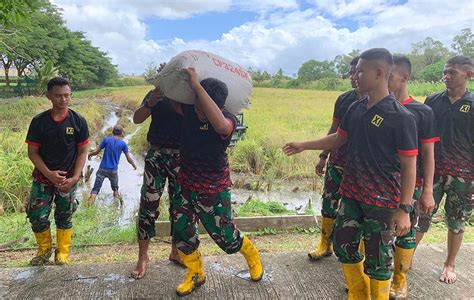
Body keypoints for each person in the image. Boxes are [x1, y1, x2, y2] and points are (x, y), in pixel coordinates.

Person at [283, 48, 418, 299]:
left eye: (360, 71)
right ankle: (359, 294)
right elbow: (338, 138)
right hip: (352, 194)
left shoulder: (401, 117)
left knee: (378, 261)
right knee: (344, 247)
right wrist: (304, 145)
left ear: (379, 73)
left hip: (383, 201)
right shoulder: (355, 108)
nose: (355, 75)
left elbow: (410, 166)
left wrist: (405, 208)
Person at [171, 67, 263, 296]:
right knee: (182, 232)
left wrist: (198, 87)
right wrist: (168, 76)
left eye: (205, 106)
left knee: (226, 238)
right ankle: (195, 272)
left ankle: (251, 254)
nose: (200, 112)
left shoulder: (227, 120)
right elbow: (174, 101)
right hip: (185, 183)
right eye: (198, 106)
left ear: (219, 106)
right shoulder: (190, 110)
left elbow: (221, 126)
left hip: (213, 187)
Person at [415, 55, 473, 284]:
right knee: (421, 216)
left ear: (468, 74)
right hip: (433, 172)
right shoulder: (433, 101)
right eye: (445, 72)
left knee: (457, 221)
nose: (446, 76)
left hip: (464, 175)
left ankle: (449, 265)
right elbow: (422, 136)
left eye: (452, 73)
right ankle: (406, 259)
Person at [388, 55, 438, 298]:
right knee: (374, 230)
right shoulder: (376, 107)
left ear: (404, 77)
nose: (384, 80)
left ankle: (400, 278)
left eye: (390, 76)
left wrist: (427, 190)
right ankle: (375, 275)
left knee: (406, 231)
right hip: (379, 182)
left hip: (412, 184)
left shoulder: (422, 112)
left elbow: (428, 155)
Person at [25, 77, 89, 265]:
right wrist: (49, 174)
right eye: (59, 96)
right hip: (43, 178)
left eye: (67, 95)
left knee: (64, 214)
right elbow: (33, 153)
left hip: (67, 180)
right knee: (37, 215)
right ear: (49, 96)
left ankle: (62, 252)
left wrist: (76, 177)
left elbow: (83, 151)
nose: (63, 100)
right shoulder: (39, 122)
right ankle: (43, 251)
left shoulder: (78, 121)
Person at [309, 56, 363, 260]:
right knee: (328, 202)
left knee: (358, 209)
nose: (353, 76)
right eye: (350, 72)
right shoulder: (344, 99)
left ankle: (358, 250)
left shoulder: (382, 102)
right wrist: (323, 156)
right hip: (338, 161)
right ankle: (325, 244)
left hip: (361, 169)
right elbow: (335, 129)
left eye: (356, 72)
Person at [131, 79, 184, 279]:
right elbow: (136, 119)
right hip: (156, 156)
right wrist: (149, 104)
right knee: (148, 206)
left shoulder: (188, 97)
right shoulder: (156, 94)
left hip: (181, 158)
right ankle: (143, 258)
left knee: (180, 208)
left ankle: (176, 252)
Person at [87, 124, 137, 206]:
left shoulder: (106, 140)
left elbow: (96, 152)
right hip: (113, 171)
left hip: (102, 169)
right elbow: (128, 158)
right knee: (115, 190)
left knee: (95, 190)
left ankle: (89, 207)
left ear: (112, 131)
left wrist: (90, 154)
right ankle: (116, 208)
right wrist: (134, 165)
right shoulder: (123, 144)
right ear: (121, 133)